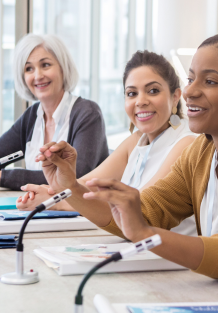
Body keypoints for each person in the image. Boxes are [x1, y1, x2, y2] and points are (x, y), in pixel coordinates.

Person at [35, 34, 218, 291]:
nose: (191, 91)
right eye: (191, 78)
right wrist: (70, 185)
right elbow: (143, 213)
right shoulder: (202, 153)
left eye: (210, 81)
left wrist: (147, 234)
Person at [17, 51, 197, 235]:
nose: (141, 101)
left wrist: (56, 202)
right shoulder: (136, 140)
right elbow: (87, 185)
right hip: (138, 251)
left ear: (176, 96)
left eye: (153, 91)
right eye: (132, 93)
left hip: (168, 258)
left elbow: (139, 210)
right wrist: (49, 192)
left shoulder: (186, 144)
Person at [0, 34, 108, 191]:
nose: (38, 76)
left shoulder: (88, 114)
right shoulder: (32, 117)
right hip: (43, 210)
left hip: (82, 213)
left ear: (63, 68)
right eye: (29, 69)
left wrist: (1, 177)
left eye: (45, 65)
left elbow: (75, 176)